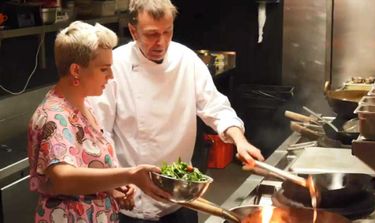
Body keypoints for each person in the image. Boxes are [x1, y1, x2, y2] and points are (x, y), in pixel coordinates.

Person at [89, 0, 265, 222]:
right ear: (133, 31)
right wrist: (112, 180)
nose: (161, 42)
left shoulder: (186, 59)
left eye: (167, 32)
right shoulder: (115, 65)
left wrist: (240, 140)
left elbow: (216, 108)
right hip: (131, 198)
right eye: (152, 34)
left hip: (181, 192)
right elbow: (98, 133)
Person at [27, 21, 170, 223]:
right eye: (104, 69)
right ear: (76, 70)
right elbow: (62, 177)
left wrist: (111, 187)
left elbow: (84, 167)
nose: (111, 76)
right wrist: (129, 175)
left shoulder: (85, 106)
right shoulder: (54, 115)